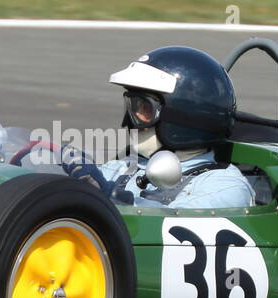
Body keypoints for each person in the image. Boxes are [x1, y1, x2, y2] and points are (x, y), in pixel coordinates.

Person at [92, 46, 255, 209]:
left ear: (181, 118)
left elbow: (166, 224)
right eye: (133, 107)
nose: (132, 121)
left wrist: (110, 197)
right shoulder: (125, 167)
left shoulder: (225, 187)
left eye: (145, 108)